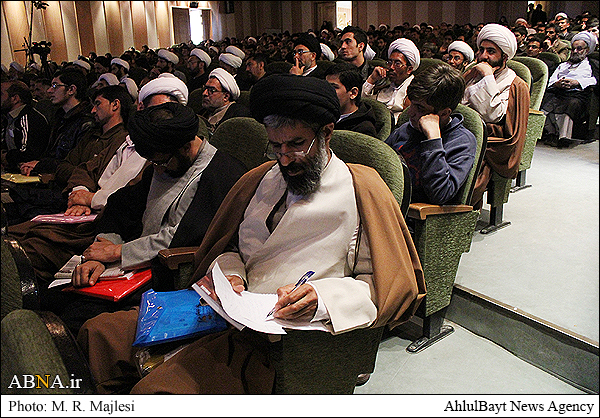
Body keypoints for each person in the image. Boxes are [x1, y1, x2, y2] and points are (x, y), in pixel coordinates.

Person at [77, 73, 425, 394]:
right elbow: (230, 247)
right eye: (276, 146)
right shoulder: (261, 178)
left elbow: (383, 286)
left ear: (327, 133)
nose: (285, 159)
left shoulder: (360, 189)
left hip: (276, 340)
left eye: (297, 144)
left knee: (157, 394)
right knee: (99, 334)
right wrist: (231, 273)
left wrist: (322, 298)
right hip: (221, 311)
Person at [55, 101, 246, 333]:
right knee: (58, 297)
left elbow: (185, 236)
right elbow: (122, 205)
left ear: (186, 147)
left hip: (168, 274)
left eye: (161, 162)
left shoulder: (221, 175)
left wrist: (117, 253)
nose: (157, 170)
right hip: (130, 265)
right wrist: (103, 250)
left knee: (80, 319)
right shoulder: (166, 159)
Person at [7, 85, 141, 286]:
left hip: (98, 224)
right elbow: (79, 169)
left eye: (98, 104)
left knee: (26, 249)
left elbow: (128, 196)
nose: (92, 110)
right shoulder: (109, 139)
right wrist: (80, 192)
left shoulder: (129, 142)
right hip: (77, 208)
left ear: (116, 105)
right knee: (13, 234)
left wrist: (91, 199)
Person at [385, 62, 477, 205]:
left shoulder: (462, 142)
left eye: (420, 108)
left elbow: (440, 194)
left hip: (414, 213)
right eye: (412, 104)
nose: (410, 112)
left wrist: (433, 139)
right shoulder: (407, 128)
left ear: (444, 113)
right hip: (387, 201)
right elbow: (381, 164)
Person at [461, 23, 530, 209]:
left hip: (492, 143)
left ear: (504, 57)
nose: (483, 56)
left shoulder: (516, 85)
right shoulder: (473, 74)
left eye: (491, 51)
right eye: (481, 50)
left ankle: (460, 213)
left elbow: (494, 116)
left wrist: (488, 78)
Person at [19, 69, 94, 177]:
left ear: (71, 90)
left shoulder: (86, 122)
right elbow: (51, 153)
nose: (49, 90)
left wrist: (41, 165)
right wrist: (34, 164)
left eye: (55, 86)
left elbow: (75, 163)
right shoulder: (60, 117)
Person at [541, 31, 598, 148]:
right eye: (573, 49)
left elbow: (595, 81)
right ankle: (550, 133)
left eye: (579, 49)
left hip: (579, 95)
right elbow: (551, 80)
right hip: (558, 92)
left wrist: (577, 83)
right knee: (546, 100)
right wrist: (557, 84)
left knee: (572, 103)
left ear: (587, 50)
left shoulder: (591, 65)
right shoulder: (563, 65)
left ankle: (563, 136)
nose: (575, 51)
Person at [362, 38, 420, 125]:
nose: (391, 67)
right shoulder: (383, 85)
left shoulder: (415, 90)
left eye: (397, 63)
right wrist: (372, 79)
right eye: (389, 62)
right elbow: (363, 104)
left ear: (409, 69)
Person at [1, 80, 50, 173]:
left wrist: (6, 157)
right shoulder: (9, 117)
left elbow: (28, 154)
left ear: (15, 98)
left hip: (27, 172)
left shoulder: (30, 118)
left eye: (1, 94)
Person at [325, 62, 377, 137]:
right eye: (326, 86)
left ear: (353, 93)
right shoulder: (323, 115)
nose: (327, 91)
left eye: (334, 87)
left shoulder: (364, 129)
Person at [197, 68, 251, 133]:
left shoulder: (239, 116)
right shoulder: (203, 112)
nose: (204, 93)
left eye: (211, 90)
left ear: (226, 97)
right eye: (205, 88)